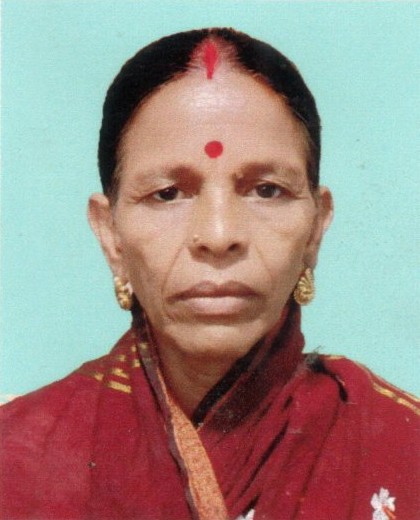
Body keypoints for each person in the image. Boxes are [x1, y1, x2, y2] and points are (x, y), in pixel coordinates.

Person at [1, 28, 418, 520]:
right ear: (110, 234)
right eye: (168, 194)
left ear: (315, 229)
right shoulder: (16, 458)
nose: (219, 236)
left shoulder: (404, 448)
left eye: (266, 190)